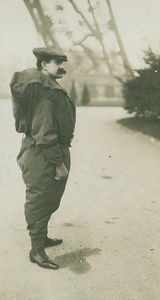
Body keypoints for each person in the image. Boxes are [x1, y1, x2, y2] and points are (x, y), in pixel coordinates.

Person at [10, 47, 76, 270]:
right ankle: (36, 250)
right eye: (57, 62)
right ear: (44, 65)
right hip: (43, 153)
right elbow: (44, 132)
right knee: (39, 199)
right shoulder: (43, 92)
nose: (61, 66)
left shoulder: (49, 86)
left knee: (50, 197)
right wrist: (58, 164)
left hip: (51, 150)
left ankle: (42, 238)